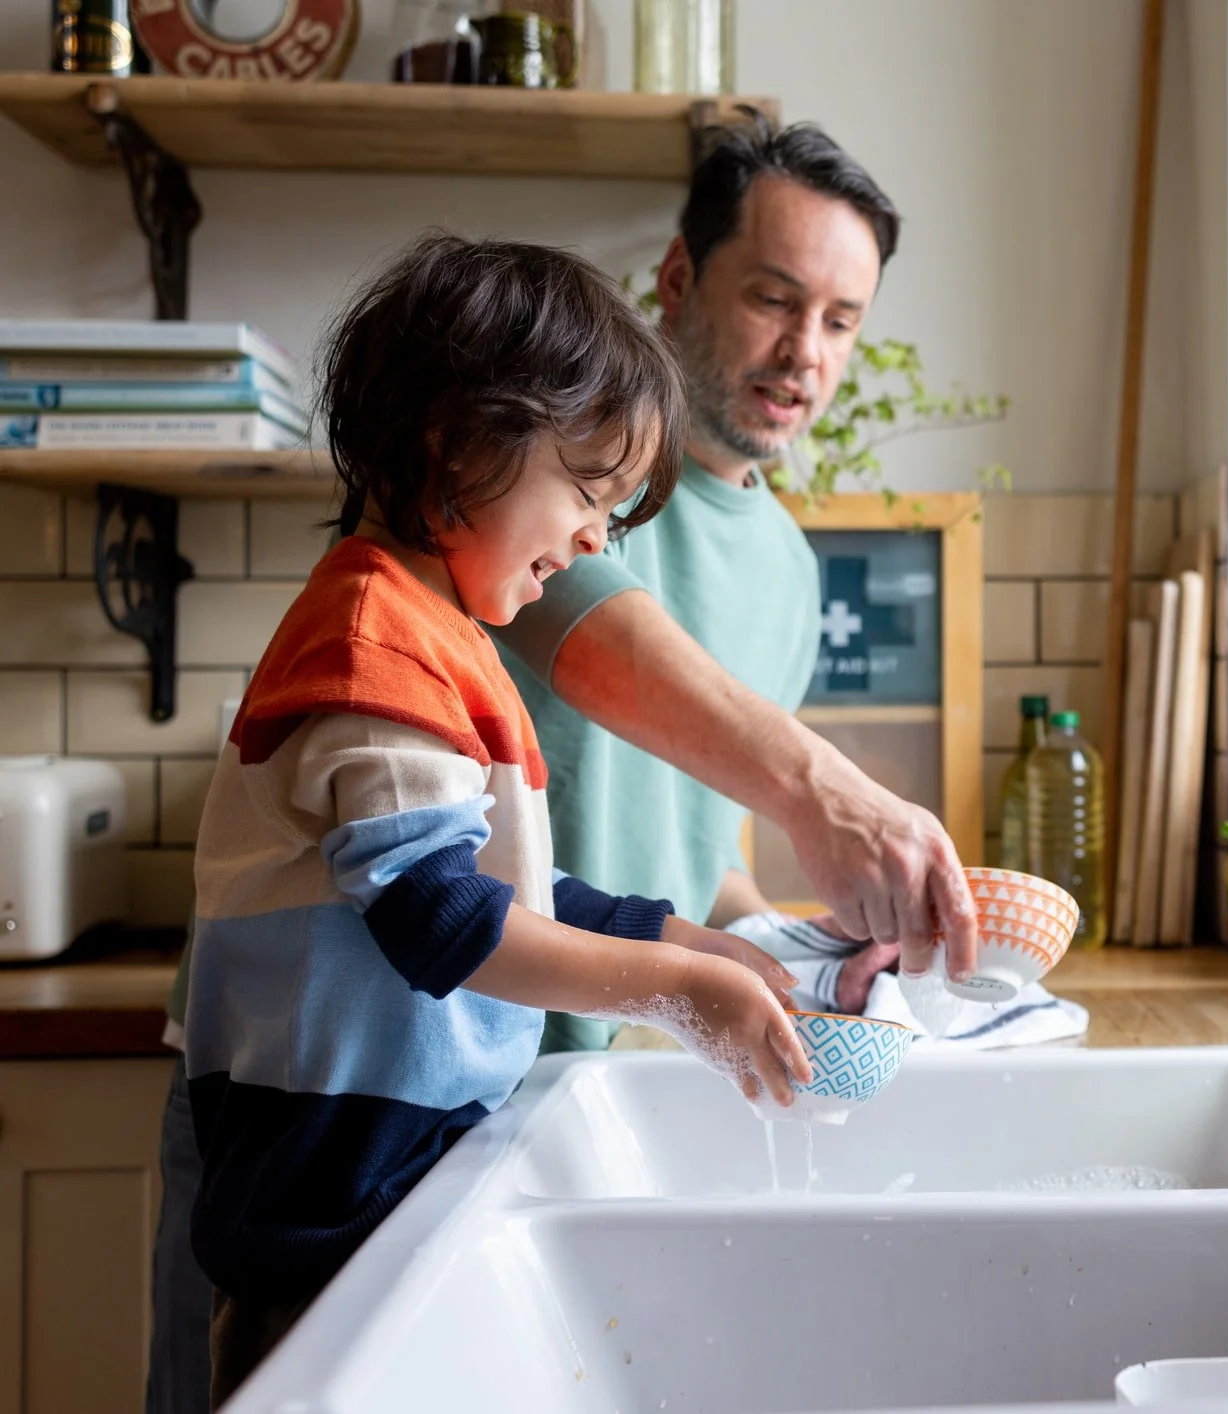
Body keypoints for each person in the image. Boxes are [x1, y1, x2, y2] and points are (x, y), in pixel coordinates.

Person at [179, 233, 811, 1406]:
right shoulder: (373, 647)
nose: (595, 540)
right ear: (457, 447)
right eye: (587, 490)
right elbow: (444, 924)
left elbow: (500, 888)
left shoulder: (441, 642)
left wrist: (679, 939)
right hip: (321, 1210)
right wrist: (674, 993)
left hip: (374, 1186)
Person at [493, 115, 909, 1040]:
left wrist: (795, 948)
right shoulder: (552, 440)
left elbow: (693, 848)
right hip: (367, 1066)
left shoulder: (791, 573)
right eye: (775, 300)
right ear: (678, 281)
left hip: (572, 1066)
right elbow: (594, 645)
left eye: (840, 322)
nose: (807, 351)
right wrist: (821, 792)